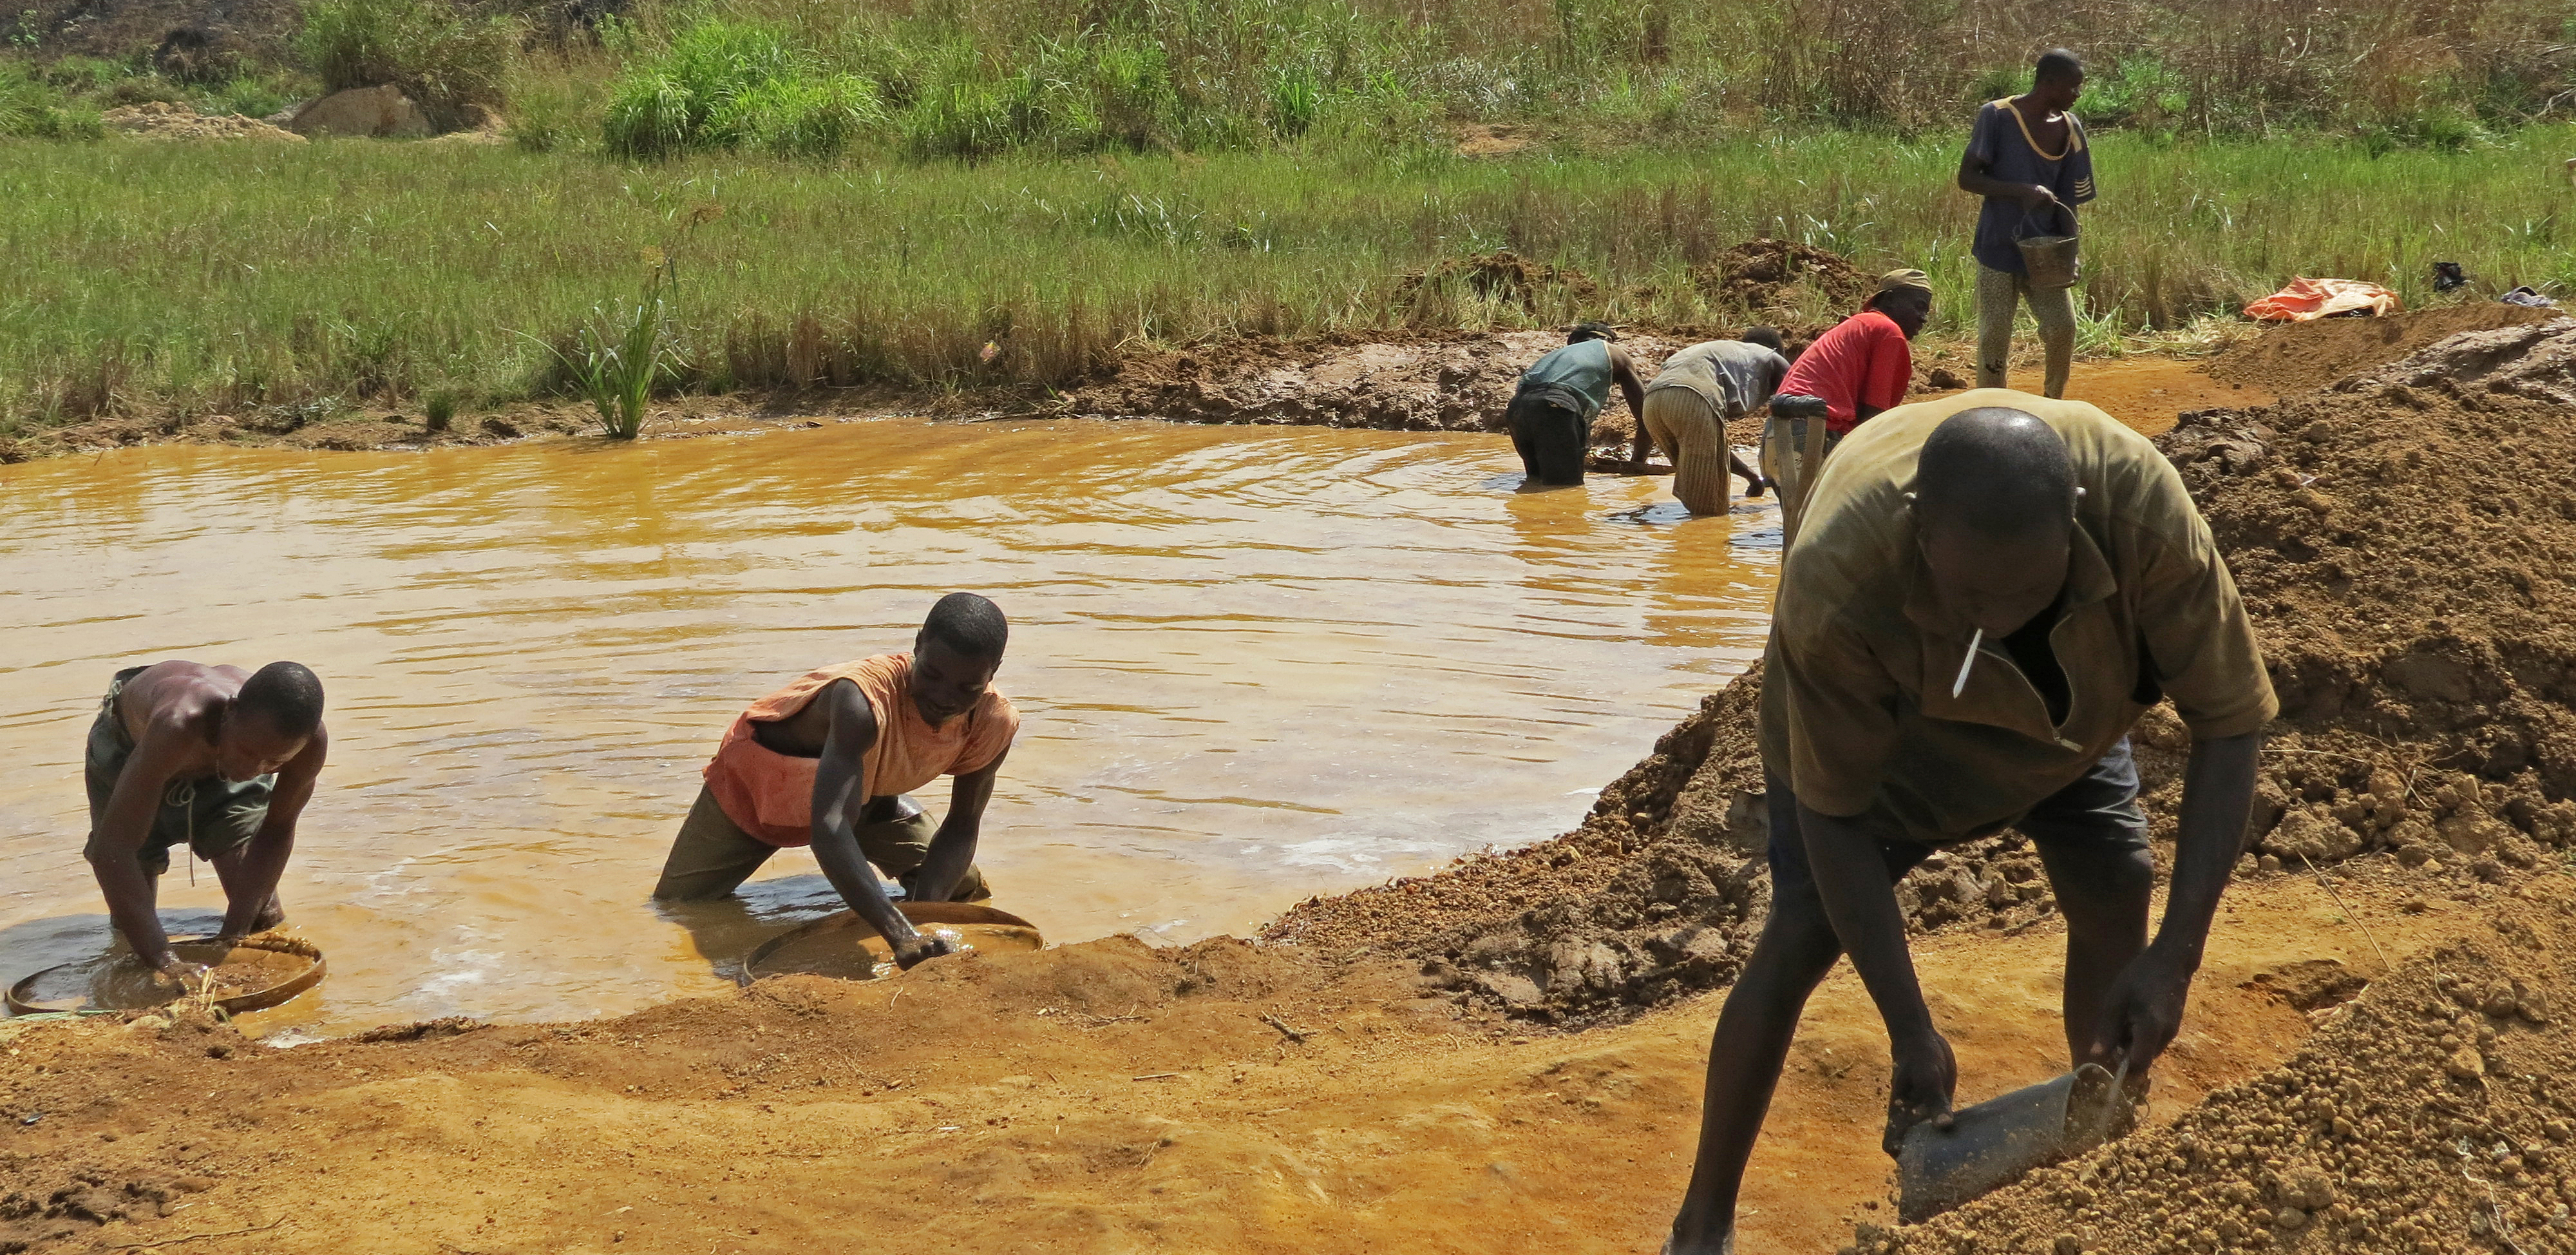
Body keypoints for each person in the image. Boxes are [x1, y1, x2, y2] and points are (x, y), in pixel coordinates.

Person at [1662, 391, 2274, 1255]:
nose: (1998, 616)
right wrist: (1909, 1027)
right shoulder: (1838, 578)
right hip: (1892, 749)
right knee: (1801, 931)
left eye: (2027, 589)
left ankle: (2090, 1154)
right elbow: (1835, 819)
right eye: (1970, 593)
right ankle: (1705, 1220)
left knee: (2117, 879)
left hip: (2069, 719)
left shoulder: (2145, 516)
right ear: (1920, 533)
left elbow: (2231, 720)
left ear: (2073, 525)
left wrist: (2175, 958)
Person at [654, 593, 1020, 970]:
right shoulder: (860, 703)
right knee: (678, 908)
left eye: (968, 689)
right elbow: (828, 830)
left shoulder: (994, 722)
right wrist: (899, 933)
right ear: (917, 645)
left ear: (993, 672)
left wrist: (920, 918)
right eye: (932, 674)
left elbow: (962, 827)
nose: (944, 698)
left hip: (863, 798)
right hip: (756, 791)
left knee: (961, 889)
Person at [84, 660, 329, 977]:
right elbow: (113, 852)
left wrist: (233, 939)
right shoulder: (178, 723)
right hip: (134, 751)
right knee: (132, 932)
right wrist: (165, 962)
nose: (251, 771)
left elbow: (278, 828)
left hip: (219, 757)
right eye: (247, 752)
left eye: (274, 763)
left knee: (262, 918)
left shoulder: (304, 744)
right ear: (230, 712)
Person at [1958, 48, 2096, 399]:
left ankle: (2053, 402)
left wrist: (2072, 253)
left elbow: (2070, 202)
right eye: (2073, 87)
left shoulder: (2070, 128)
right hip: (1998, 246)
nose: (2077, 95)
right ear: (2049, 83)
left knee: (2062, 327)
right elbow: (1968, 178)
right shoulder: (1997, 116)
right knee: (1994, 334)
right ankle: (1990, 406)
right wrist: (2020, 191)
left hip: (2047, 251)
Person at [1764, 271, 1932, 540]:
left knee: (1799, 539)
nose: (1924, 318)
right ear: (1888, 300)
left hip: (1778, 433)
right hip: (1812, 434)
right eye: (1919, 306)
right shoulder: (1888, 332)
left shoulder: (1859, 327)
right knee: (1832, 538)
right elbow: (1873, 422)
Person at [1640, 329, 1783, 514]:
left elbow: (1717, 450)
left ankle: (1693, 536)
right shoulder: (1772, 356)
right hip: (1692, 396)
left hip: (1652, 401)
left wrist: (1752, 477)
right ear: (1775, 348)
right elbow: (1795, 398)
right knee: (1711, 506)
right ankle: (1704, 540)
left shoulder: (1724, 353)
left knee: (1699, 480)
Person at [1503, 321, 1649, 488]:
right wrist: (1637, 463)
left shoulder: (1556, 355)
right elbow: (1647, 416)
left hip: (1517, 409)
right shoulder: (1614, 352)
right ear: (1609, 340)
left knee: (1535, 482)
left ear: (1574, 342)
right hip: (1555, 406)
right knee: (1565, 490)